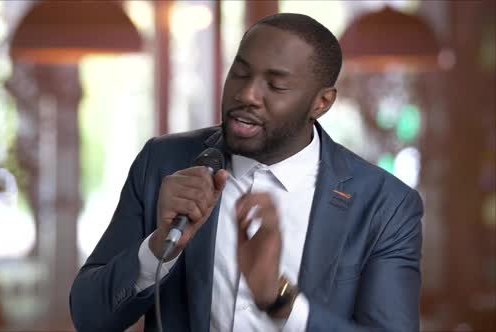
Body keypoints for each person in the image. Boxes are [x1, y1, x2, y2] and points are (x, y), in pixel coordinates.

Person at [69, 13, 423, 332]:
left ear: (322, 102)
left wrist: (278, 298)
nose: (247, 94)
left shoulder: (385, 205)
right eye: (239, 73)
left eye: (276, 85)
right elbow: (89, 315)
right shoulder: (163, 162)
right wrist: (159, 248)